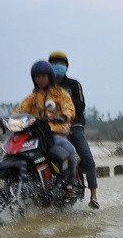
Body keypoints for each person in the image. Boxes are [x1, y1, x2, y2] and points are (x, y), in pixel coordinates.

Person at [17, 60, 79, 195]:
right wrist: (9, 120)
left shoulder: (60, 94)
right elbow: (19, 111)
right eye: (37, 77)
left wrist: (63, 116)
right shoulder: (32, 98)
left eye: (43, 76)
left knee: (70, 150)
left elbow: (69, 108)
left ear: (50, 76)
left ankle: (71, 183)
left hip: (55, 133)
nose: (40, 79)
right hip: (35, 133)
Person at [49, 50, 99, 209]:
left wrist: (64, 96)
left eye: (61, 63)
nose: (58, 66)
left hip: (74, 126)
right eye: (54, 63)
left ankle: (93, 197)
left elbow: (81, 106)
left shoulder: (73, 84)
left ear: (66, 67)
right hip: (53, 127)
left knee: (88, 159)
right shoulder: (45, 87)